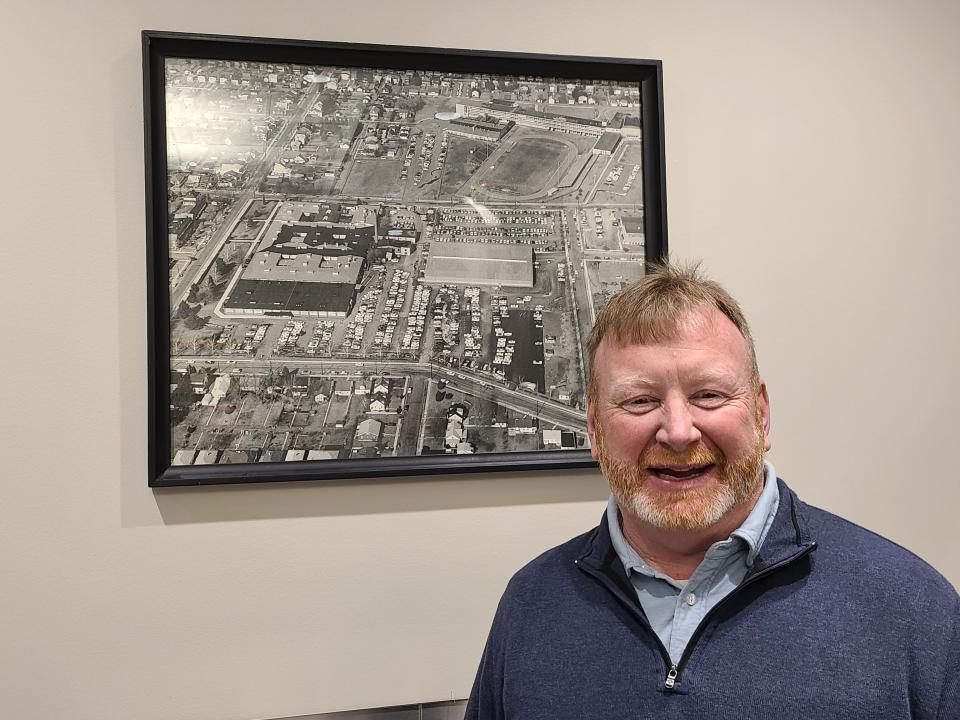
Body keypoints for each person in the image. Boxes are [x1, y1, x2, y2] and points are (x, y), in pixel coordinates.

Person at [465, 263, 959, 719]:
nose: (679, 432)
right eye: (640, 400)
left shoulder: (913, 608)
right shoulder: (532, 602)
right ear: (595, 429)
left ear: (761, 414)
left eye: (709, 395)